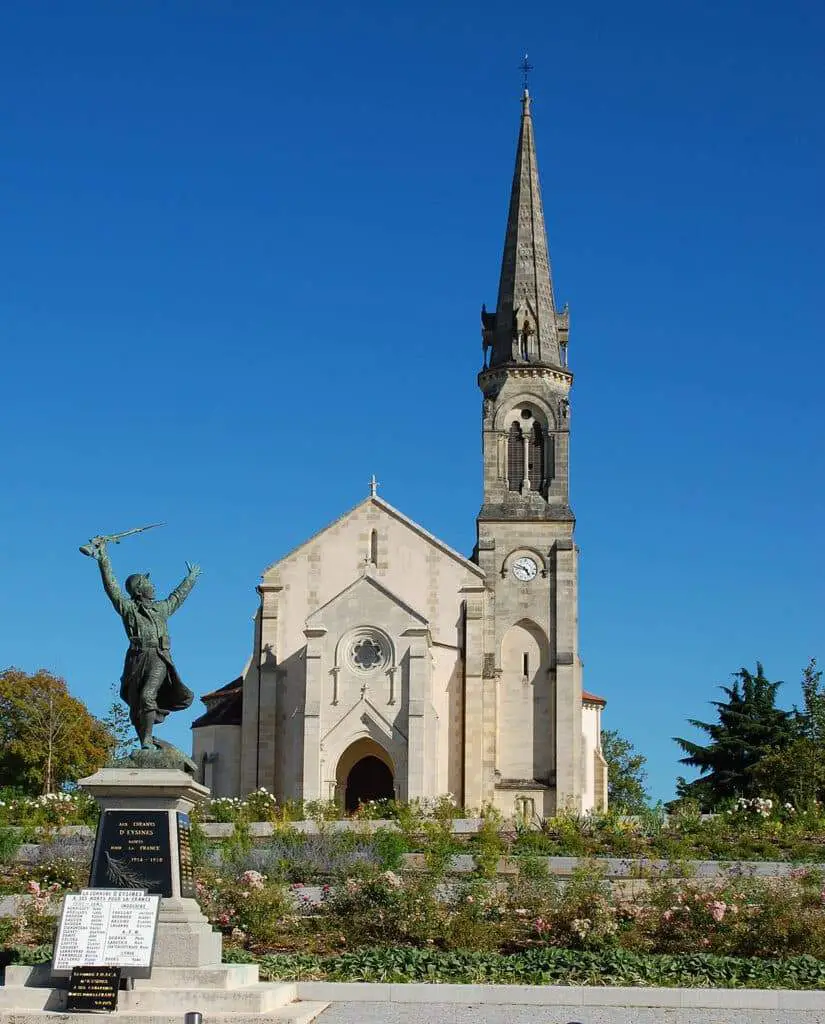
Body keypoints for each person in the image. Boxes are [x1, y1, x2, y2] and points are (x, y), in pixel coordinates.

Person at [89, 540, 201, 749]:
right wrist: (103, 558)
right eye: (148, 583)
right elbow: (110, 586)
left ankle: (148, 739)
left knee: (147, 695)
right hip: (137, 658)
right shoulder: (129, 608)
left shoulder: (162, 609)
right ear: (139, 590)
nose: (153, 586)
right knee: (136, 705)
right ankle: (145, 742)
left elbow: (177, 597)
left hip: (158, 657)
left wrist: (191, 578)